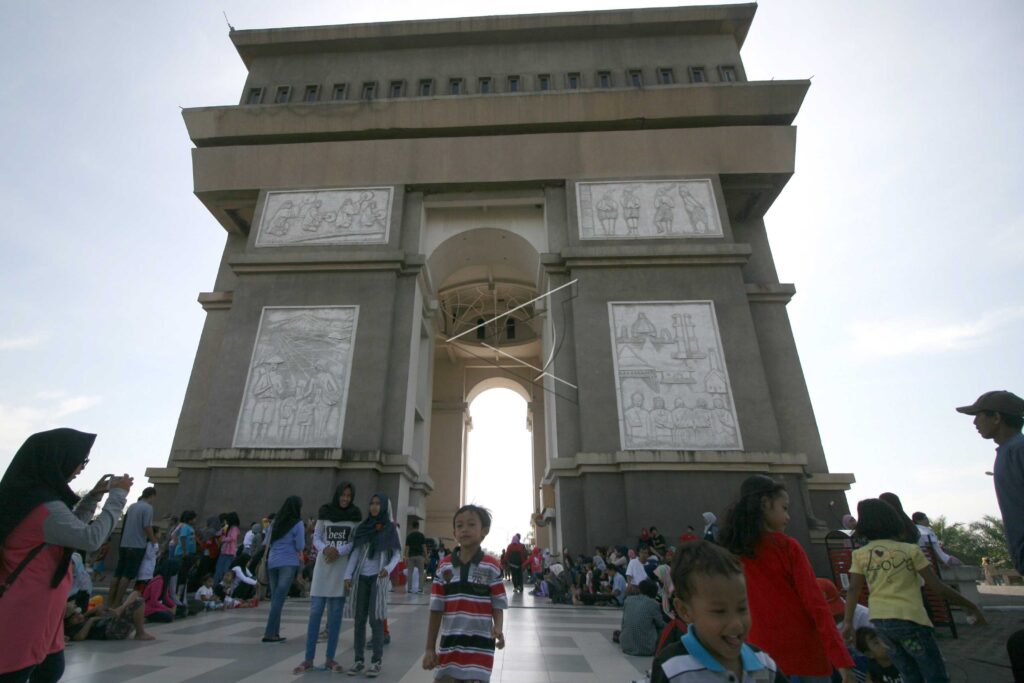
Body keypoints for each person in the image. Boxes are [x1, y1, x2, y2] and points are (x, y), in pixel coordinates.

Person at [0, 428, 133, 683]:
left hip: (42, 607)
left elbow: (69, 530)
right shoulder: (43, 507)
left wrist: (92, 498)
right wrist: (117, 497)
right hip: (25, 609)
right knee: (16, 672)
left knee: (50, 669)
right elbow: (90, 539)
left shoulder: (31, 499)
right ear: (57, 460)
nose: (81, 468)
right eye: (80, 460)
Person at [719, 474, 854, 683]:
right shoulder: (787, 547)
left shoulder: (730, 554)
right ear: (765, 504)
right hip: (805, 656)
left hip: (757, 657)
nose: (788, 516)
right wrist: (841, 659)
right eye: (784, 508)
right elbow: (816, 604)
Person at [841, 498, 986, 683]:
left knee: (908, 674)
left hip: (882, 623)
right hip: (912, 620)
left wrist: (847, 622)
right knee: (934, 674)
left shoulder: (860, 554)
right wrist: (970, 605)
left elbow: (853, 589)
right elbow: (938, 587)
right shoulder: (909, 550)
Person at [958, 389, 1024, 683]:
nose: (974, 423)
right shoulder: (1007, 452)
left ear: (997, 418)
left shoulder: (1018, 450)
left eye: (979, 416)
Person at [651, 540, 786, 683]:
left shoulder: (764, 665)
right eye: (720, 611)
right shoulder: (672, 669)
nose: (737, 624)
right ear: (685, 611)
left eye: (742, 609)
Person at [423, 505, 507, 682]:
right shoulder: (444, 566)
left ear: (484, 531)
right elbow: (436, 609)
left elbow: (497, 604)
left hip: (481, 650)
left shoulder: (491, 566)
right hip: (450, 647)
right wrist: (430, 648)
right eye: (459, 526)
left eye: (471, 524)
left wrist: (498, 627)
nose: (464, 530)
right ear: (454, 533)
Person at [293, 481, 361, 675]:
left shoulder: (355, 516)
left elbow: (354, 542)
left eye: (349, 495)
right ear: (337, 494)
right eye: (343, 494)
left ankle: (330, 658)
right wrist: (326, 549)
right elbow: (316, 537)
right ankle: (308, 658)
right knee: (315, 613)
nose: (345, 498)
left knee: (335, 617)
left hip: (341, 571)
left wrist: (338, 551)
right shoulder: (325, 512)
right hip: (323, 570)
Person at [343, 493, 401, 677]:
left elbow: (396, 554)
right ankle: (358, 660)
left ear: (384, 506)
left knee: (376, 619)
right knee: (359, 619)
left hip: (378, 578)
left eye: (378, 503)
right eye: (372, 503)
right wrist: (347, 575)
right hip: (362, 577)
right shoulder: (363, 527)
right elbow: (355, 553)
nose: (374, 507)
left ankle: (376, 661)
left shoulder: (390, 528)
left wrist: (388, 568)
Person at [262, 495, 305, 643]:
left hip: (272, 562)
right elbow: (300, 546)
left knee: (276, 598)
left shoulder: (275, 522)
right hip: (288, 562)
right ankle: (269, 633)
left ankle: (275, 633)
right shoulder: (297, 523)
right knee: (278, 600)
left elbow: (266, 541)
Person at [108, 486, 158, 609]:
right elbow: (147, 526)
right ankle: (117, 602)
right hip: (136, 545)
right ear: (152, 496)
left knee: (118, 573)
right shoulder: (148, 508)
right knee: (127, 575)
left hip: (124, 543)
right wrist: (154, 541)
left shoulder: (132, 506)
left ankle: (109, 602)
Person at [63, 592, 154, 642]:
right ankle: (140, 633)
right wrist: (91, 620)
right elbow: (80, 637)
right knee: (138, 601)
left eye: (78, 613)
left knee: (136, 593)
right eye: (75, 616)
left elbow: (98, 607)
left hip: (109, 623)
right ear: (67, 622)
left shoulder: (78, 621)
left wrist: (85, 615)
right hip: (109, 631)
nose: (78, 616)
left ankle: (121, 608)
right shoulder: (72, 629)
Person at [619, 579, 665, 656]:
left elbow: (624, 623)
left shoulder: (628, 600)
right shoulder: (653, 603)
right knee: (663, 628)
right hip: (647, 649)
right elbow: (660, 624)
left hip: (625, 646)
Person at [213, 512, 240, 585]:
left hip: (230, 553)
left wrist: (223, 539)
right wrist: (222, 529)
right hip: (223, 552)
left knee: (225, 570)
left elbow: (233, 538)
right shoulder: (227, 527)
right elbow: (218, 533)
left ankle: (223, 585)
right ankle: (216, 585)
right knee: (218, 570)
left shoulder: (234, 528)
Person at [405, 520, 427, 594]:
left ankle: (409, 589)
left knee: (410, 573)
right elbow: (424, 546)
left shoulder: (409, 536)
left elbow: (407, 548)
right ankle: (420, 589)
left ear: (412, 527)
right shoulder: (421, 535)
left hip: (411, 556)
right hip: (420, 556)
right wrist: (426, 556)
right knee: (421, 573)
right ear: (418, 526)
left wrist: (406, 557)